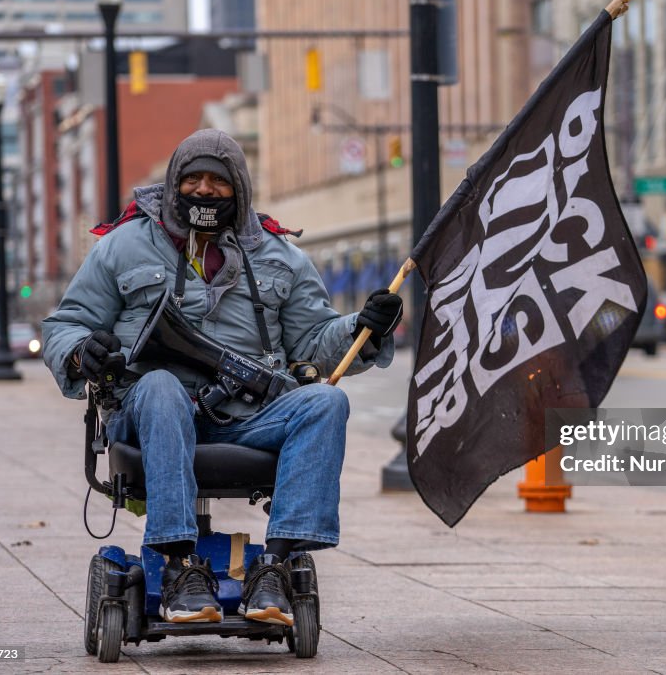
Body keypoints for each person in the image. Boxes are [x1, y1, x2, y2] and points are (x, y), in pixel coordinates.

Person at [42, 129, 402, 625]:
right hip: (150, 411)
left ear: (239, 188)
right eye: (194, 179)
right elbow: (65, 324)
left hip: (247, 417)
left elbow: (314, 342)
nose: (205, 190)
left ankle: (273, 569)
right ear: (174, 184)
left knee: (325, 402)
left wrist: (363, 329)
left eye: (218, 180)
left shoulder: (281, 256)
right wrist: (84, 351)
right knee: (162, 385)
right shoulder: (122, 247)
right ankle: (177, 567)